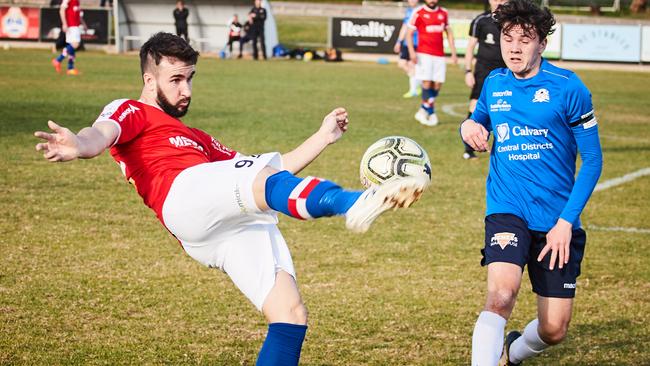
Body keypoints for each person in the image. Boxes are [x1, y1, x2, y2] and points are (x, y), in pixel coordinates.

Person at [34, 32, 428, 365]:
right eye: (175, 80)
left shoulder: (198, 137)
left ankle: (349, 203)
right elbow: (101, 134)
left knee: (289, 314)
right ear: (150, 80)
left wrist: (323, 136)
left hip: (216, 228)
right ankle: (353, 202)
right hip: (180, 195)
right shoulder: (130, 110)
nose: (186, 89)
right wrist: (79, 145)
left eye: (190, 78)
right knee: (261, 183)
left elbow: (274, 169)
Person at [460, 1, 603, 365]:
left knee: (554, 328)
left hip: (557, 220)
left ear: (542, 43)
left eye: (526, 39)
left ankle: (514, 352)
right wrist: (468, 127)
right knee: (501, 295)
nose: (514, 48)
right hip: (507, 208)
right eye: (508, 39)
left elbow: (593, 161)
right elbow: (477, 122)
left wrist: (565, 223)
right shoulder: (494, 82)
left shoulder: (568, 87)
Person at [461, 0, 507, 160]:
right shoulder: (481, 20)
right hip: (483, 72)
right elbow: (470, 47)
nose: (499, 1)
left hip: (506, 72)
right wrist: (468, 71)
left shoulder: (512, 20)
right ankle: (470, 147)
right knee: (475, 107)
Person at [406, 0, 458, 127]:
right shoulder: (418, 12)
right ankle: (431, 111)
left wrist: (453, 52)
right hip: (424, 54)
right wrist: (412, 52)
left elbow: (448, 32)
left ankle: (423, 108)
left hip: (439, 55)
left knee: (438, 84)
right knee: (427, 82)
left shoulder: (443, 13)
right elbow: (409, 33)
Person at [393, 0, 420, 99]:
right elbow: (404, 27)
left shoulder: (420, 11)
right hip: (406, 42)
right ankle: (418, 82)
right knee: (402, 63)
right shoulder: (408, 11)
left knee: (412, 65)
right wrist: (399, 41)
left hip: (416, 42)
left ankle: (413, 90)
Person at [51, 0, 87, 75]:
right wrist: (64, 24)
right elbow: (62, 10)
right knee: (75, 44)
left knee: (71, 47)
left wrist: (83, 24)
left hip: (75, 25)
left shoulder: (77, 1)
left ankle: (70, 69)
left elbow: (78, 15)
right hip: (71, 25)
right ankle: (58, 60)